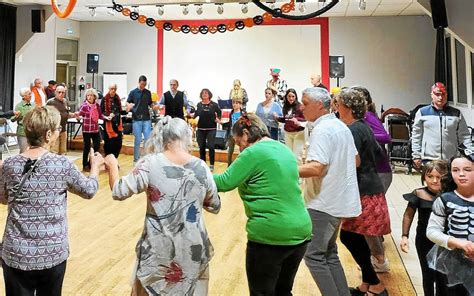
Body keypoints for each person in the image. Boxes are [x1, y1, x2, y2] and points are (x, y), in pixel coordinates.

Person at [104, 116, 220, 296]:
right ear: (186, 137)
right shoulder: (201, 167)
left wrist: (112, 165)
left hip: (158, 249)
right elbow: (214, 205)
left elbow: (119, 191)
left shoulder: (150, 163)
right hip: (192, 249)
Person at [0, 106, 102, 296]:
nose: (59, 131)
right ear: (48, 135)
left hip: (16, 252)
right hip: (52, 251)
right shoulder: (61, 164)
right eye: (57, 129)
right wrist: (94, 167)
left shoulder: (10, 164)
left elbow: (4, 199)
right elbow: (89, 190)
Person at [214, 114, 312, 296]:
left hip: (271, 235)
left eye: (238, 142)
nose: (239, 148)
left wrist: (193, 168)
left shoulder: (253, 152)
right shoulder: (283, 148)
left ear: (245, 134)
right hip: (300, 231)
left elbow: (223, 182)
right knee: (283, 291)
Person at [299, 87, 361, 296]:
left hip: (323, 203)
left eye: (305, 103)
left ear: (319, 106)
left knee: (313, 256)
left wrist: (284, 168)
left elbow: (317, 168)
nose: (301, 107)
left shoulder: (323, 130)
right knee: (329, 254)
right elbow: (356, 160)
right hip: (337, 201)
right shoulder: (340, 126)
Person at [336, 88, 390, 296]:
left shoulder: (354, 130)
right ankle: (367, 283)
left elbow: (355, 160)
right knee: (353, 236)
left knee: (350, 237)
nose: (337, 107)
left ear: (347, 107)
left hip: (364, 191)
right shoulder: (363, 126)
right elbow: (376, 153)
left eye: (339, 104)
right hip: (369, 188)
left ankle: (375, 284)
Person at [352, 86, 392, 273]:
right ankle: (375, 254)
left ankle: (379, 259)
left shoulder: (367, 117)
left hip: (380, 171)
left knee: (368, 217)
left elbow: (385, 136)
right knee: (368, 216)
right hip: (372, 171)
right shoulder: (359, 120)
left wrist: (365, 135)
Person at [426, 149, 474, 295]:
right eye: (455, 170)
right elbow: (432, 231)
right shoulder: (445, 199)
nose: (461, 174)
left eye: (467, 169)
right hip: (453, 262)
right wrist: (459, 243)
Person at [400, 160, 449, 296]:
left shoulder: (449, 195)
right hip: (424, 240)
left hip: (445, 241)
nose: (434, 181)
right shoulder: (419, 193)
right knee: (428, 274)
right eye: (430, 177)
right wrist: (405, 236)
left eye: (439, 177)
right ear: (423, 177)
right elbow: (408, 215)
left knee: (443, 277)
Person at [412, 82, 473, 167]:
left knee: (448, 180)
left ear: (447, 95)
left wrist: (470, 154)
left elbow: (464, 136)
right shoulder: (422, 112)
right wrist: (416, 155)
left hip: (451, 159)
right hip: (429, 159)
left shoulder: (456, 113)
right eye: (437, 94)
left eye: (443, 94)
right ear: (432, 95)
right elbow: (416, 135)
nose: (440, 97)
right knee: (433, 180)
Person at [126, 75, 159, 163]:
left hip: (146, 119)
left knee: (147, 139)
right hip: (136, 119)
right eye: (142, 84)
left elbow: (150, 104)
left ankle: (144, 158)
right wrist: (128, 106)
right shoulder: (133, 92)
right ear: (139, 82)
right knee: (138, 139)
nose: (143, 86)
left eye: (144, 84)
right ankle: (136, 159)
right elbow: (128, 102)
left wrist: (155, 107)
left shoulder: (148, 92)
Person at [192, 88, 221, 172]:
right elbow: (196, 114)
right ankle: (203, 164)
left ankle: (212, 164)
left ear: (209, 95)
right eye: (203, 93)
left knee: (211, 146)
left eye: (206, 93)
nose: (204, 94)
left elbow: (219, 112)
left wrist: (218, 119)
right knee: (201, 147)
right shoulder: (199, 104)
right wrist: (191, 118)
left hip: (211, 128)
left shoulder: (214, 105)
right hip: (200, 128)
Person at [276, 88, 306, 163]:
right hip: (288, 132)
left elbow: (305, 119)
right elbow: (286, 119)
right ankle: (290, 172)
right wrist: (278, 118)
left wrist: (296, 119)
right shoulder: (285, 107)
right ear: (286, 97)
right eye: (289, 96)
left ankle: (298, 173)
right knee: (289, 154)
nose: (291, 98)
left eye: (293, 96)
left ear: (296, 97)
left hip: (298, 133)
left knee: (297, 156)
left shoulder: (300, 106)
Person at [77, 88, 102, 171]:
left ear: (95, 96)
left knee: (97, 145)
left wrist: (106, 117)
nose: (90, 97)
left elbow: (100, 115)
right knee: (87, 147)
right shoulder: (84, 106)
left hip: (95, 129)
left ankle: (92, 163)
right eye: (88, 95)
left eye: (91, 95)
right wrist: (78, 117)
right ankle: (85, 165)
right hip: (87, 130)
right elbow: (80, 115)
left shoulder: (97, 105)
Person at [46, 85, 76, 155]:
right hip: (54, 130)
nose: (61, 94)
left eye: (63, 92)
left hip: (63, 129)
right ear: (55, 93)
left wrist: (73, 115)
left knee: (63, 151)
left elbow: (66, 113)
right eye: (59, 92)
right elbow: (45, 115)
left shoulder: (65, 101)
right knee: (54, 150)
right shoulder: (50, 102)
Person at [101, 83, 123, 159]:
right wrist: (108, 115)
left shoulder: (118, 98)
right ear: (109, 89)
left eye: (114, 89)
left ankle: (114, 160)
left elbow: (120, 111)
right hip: (108, 125)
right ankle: (108, 160)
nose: (113, 90)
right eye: (112, 89)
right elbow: (101, 112)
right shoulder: (104, 99)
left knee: (118, 143)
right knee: (109, 144)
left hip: (117, 124)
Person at [11, 88, 35, 153]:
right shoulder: (19, 106)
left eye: (31, 94)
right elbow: (12, 119)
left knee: (32, 151)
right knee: (24, 151)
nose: (31, 95)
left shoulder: (33, 105)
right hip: (22, 132)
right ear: (23, 96)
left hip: (32, 131)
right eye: (29, 94)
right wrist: (16, 116)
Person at [222, 98, 243, 166]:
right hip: (231, 134)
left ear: (240, 105)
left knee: (242, 150)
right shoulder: (231, 113)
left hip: (239, 134)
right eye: (233, 103)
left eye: (236, 103)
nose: (234, 104)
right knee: (230, 150)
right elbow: (229, 123)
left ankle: (242, 164)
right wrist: (221, 123)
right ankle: (229, 165)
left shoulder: (242, 113)